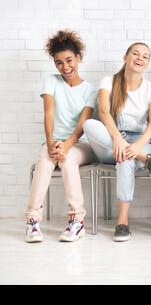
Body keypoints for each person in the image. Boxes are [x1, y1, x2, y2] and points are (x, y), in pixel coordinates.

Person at [83, 42, 151, 242]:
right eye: (136, 53)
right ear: (125, 57)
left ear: (147, 63)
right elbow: (102, 112)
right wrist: (117, 138)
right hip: (110, 140)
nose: (140, 58)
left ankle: (122, 223)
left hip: (140, 141)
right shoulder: (109, 81)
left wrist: (135, 147)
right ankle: (146, 159)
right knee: (90, 125)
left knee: (125, 158)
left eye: (145, 56)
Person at [25, 30, 97, 243]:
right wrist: (50, 144)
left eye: (69, 60)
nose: (65, 67)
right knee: (45, 160)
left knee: (67, 159)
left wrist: (66, 145)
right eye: (59, 63)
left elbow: (81, 127)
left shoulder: (90, 90)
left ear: (78, 58)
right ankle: (32, 222)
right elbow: (48, 113)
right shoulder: (51, 81)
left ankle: (77, 221)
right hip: (53, 143)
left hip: (81, 145)